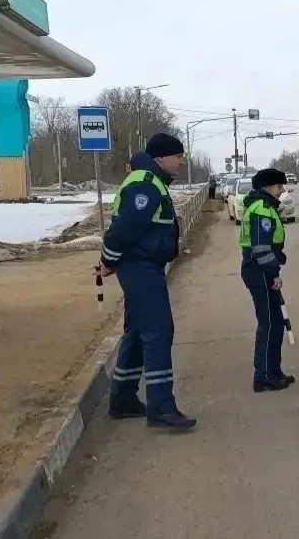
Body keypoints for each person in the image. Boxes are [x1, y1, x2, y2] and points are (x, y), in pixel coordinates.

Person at [100, 133, 196, 430]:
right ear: (161, 158)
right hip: (140, 267)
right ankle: (161, 407)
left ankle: (123, 399)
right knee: (158, 332)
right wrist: (108, 259)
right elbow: (124, 229)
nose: (181, 160)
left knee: (138, 332)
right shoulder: (146, 184)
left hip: (141, 265)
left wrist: (113, 259)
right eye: (177, 156)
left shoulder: (150, 180)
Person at [238, 167, 294, 392]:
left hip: (261, 269)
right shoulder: (262, 209)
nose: (282, 190)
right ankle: (263, 375)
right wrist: (273, 273)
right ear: (267, 187)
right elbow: (261, 248)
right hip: (259, 270)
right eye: (279, 186)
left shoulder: (264, 207)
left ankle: (273, 370)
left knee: (276, 323)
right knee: (269, 323)